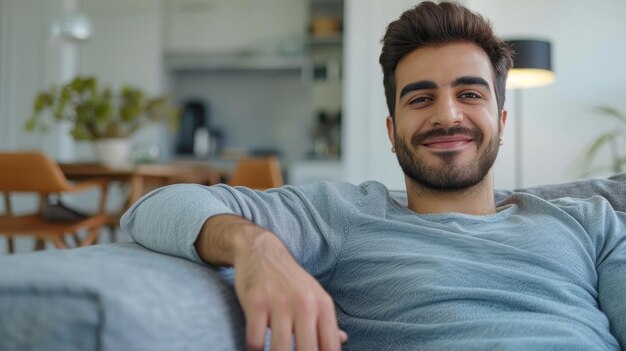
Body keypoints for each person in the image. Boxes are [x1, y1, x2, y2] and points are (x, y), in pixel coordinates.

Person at [121, 2, 626, 350]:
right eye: (420, 97)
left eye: (470, 94)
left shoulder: (592, 223)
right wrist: (256, 248)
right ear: (392, 129)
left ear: (503, 120)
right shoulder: (343, 215)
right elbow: (152, 209)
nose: (447, 115)